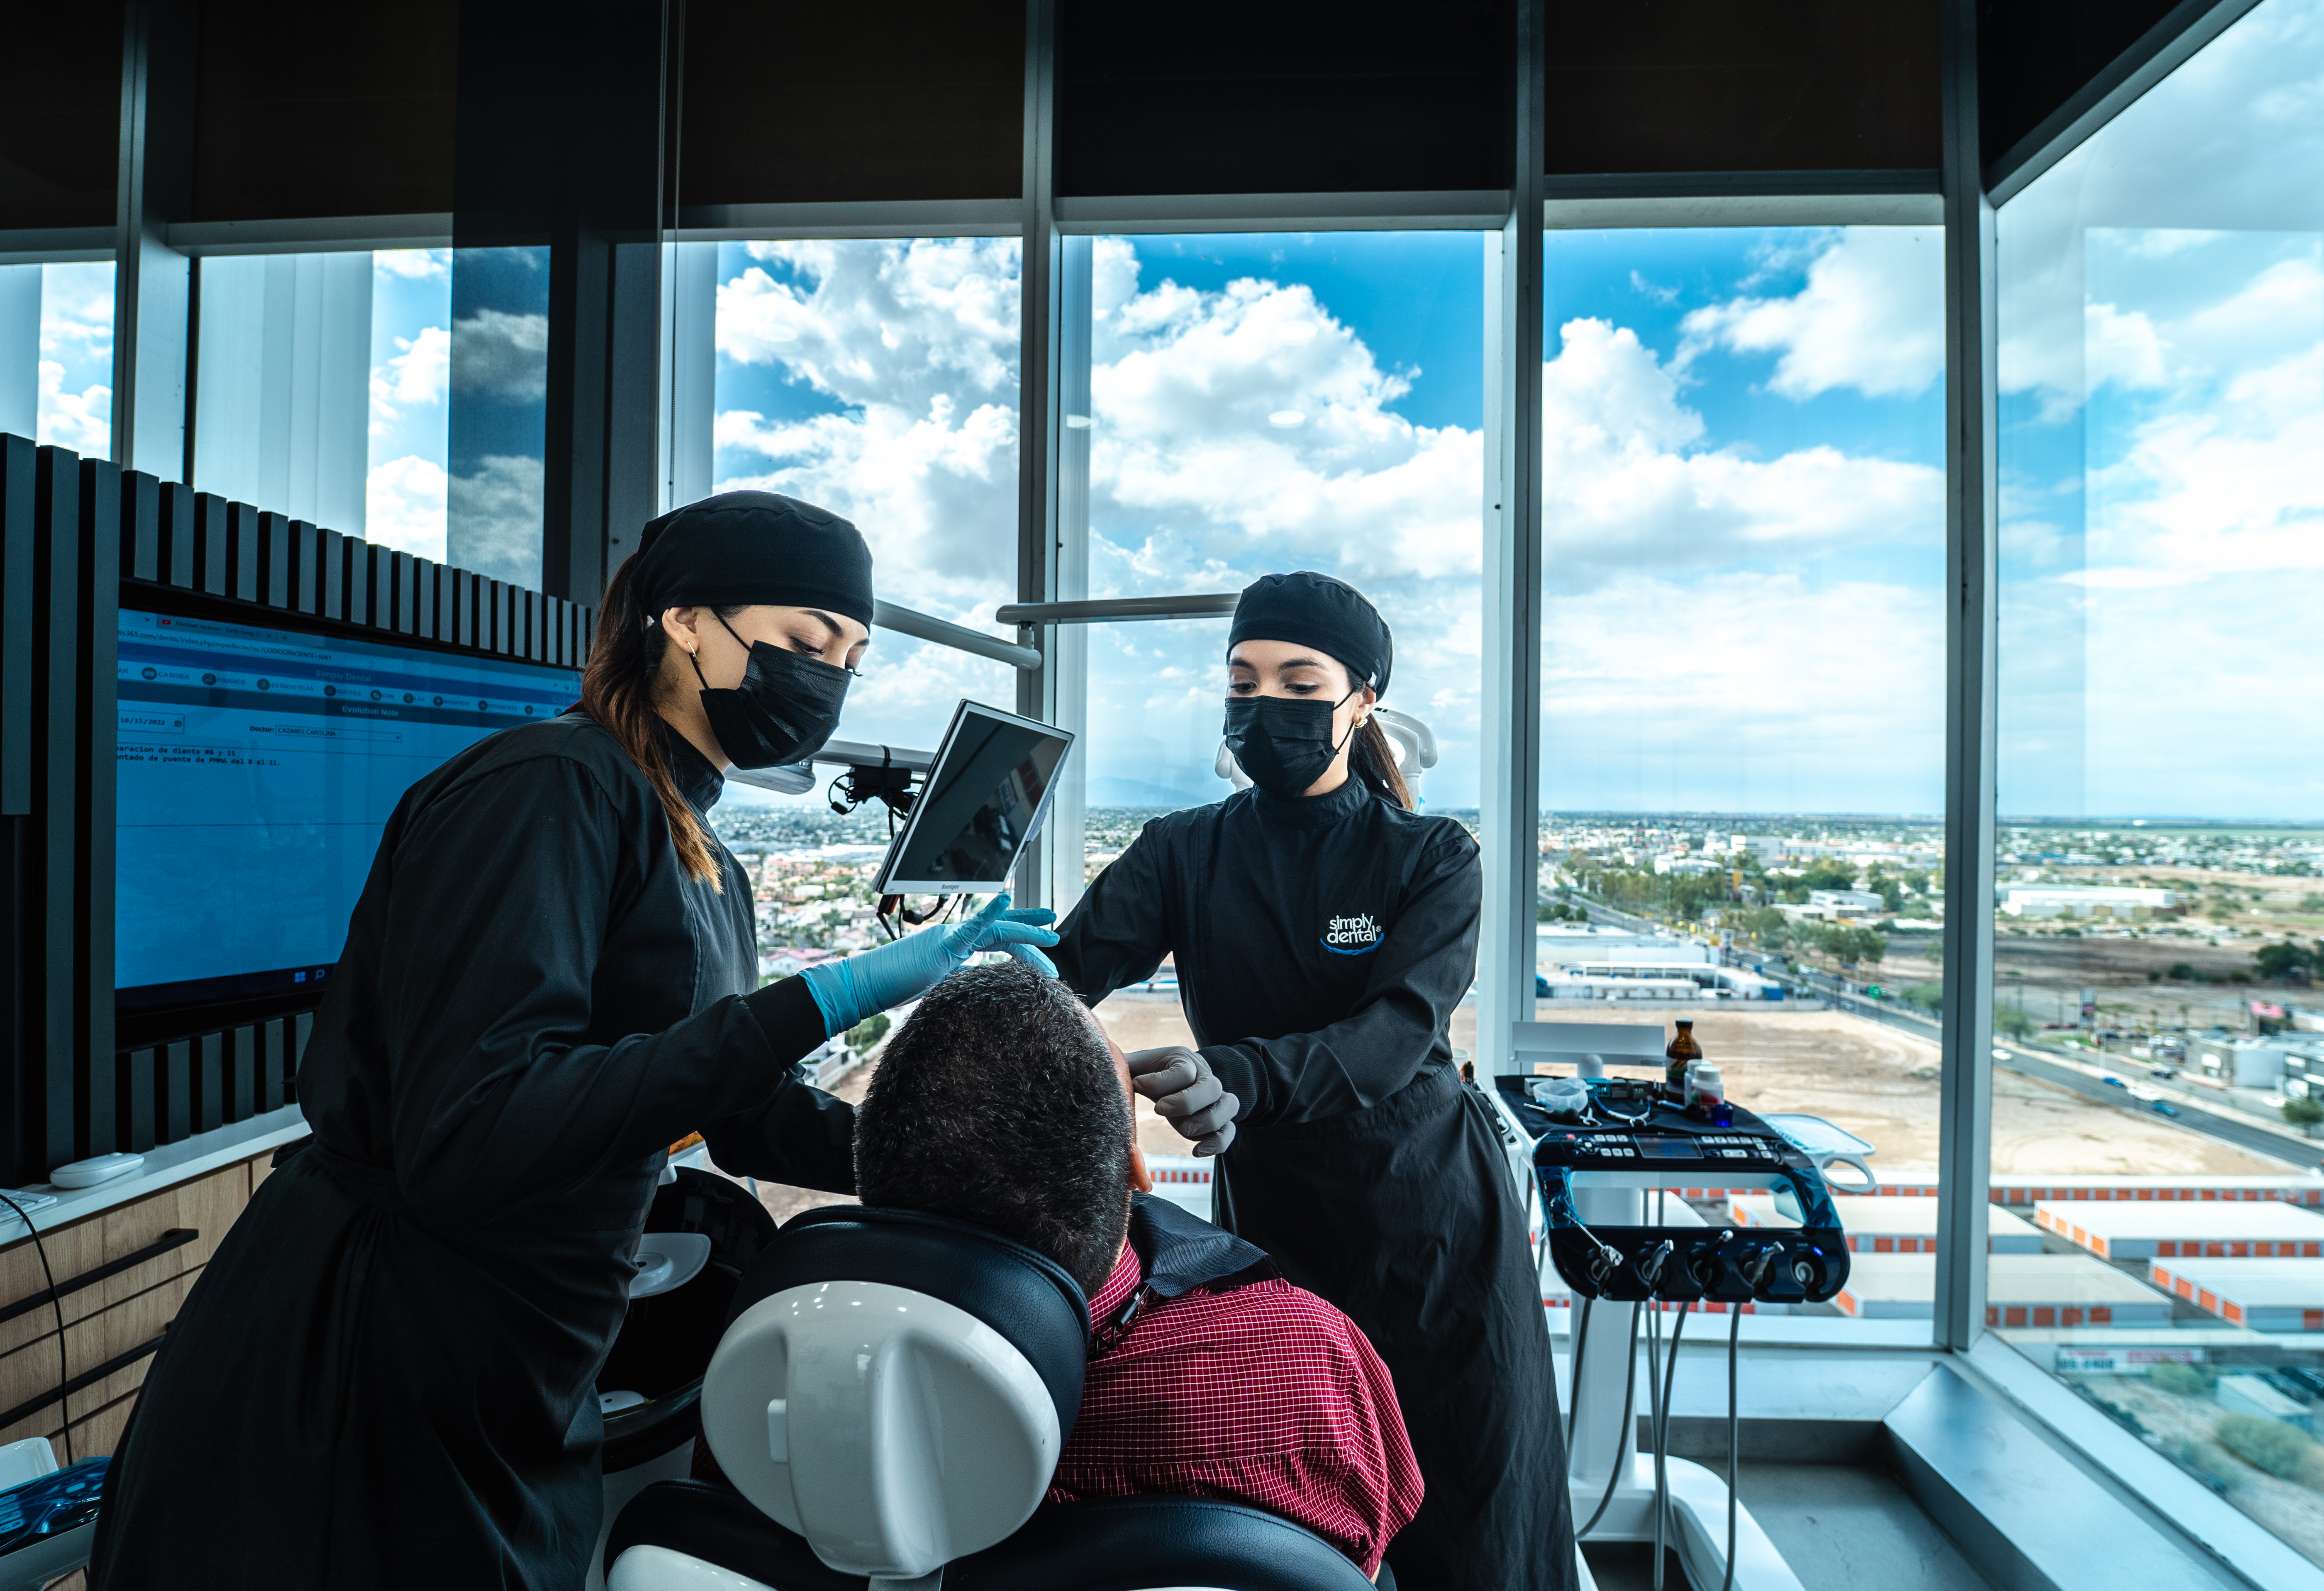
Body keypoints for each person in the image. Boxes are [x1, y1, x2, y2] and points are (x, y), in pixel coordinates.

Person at [88, 492, 1059, 1591]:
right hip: (371, 1365)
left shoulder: (702, 855)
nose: (828, 680)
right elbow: (475, 1125)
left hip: (518, 1361)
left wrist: (946, 1172)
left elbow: (739, 1107)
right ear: (685, 620)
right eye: (804, 643)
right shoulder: (543, 790)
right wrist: (826, 996)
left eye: (850, 658)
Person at [1051, 571, 1573, 1589]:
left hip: (1427, 1226)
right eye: (1243, 682)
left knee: (1469, 1504)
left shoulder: (1430, 857)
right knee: (1294, 1506)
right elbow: (1066, 978)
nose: (1264, 706)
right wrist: (1000, 987)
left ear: (1361, 699)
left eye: (1299, 682)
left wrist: (1235, 1072)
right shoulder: (1180, 852)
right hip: (1275, 1226)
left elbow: (1393, 1035)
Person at [848, 961, 1424, 1580]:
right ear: (1137, 1171)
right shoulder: (1307, 1355)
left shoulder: (833, 1373)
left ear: (870, 1173)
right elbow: (1375, 1530)